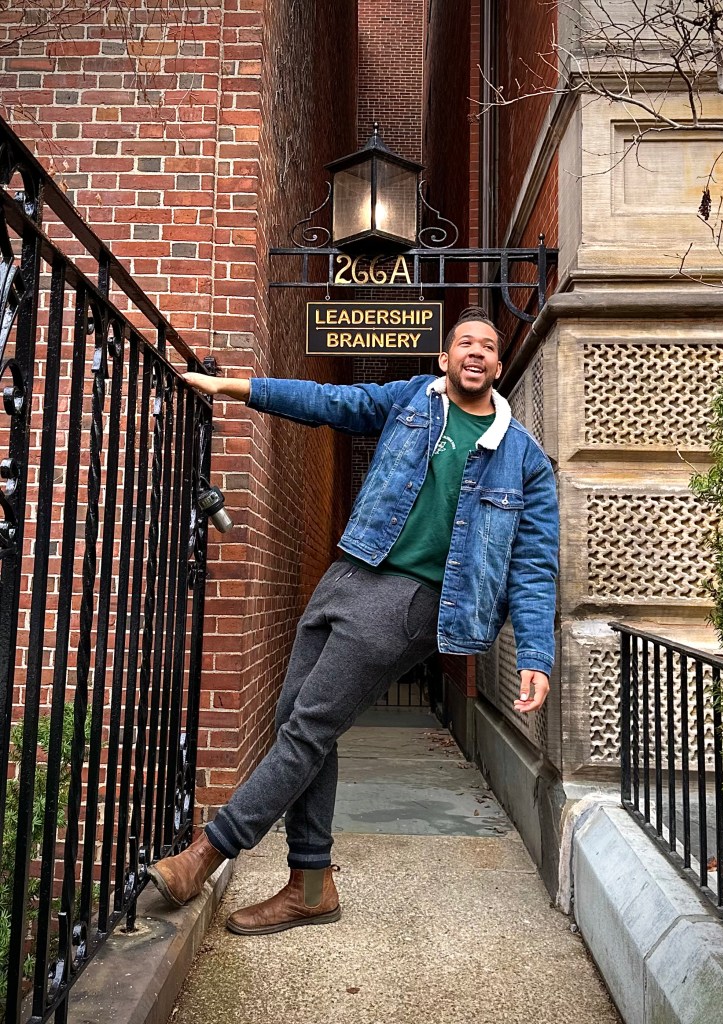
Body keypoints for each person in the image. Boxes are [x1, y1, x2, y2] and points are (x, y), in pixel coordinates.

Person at [148, 306, 559, 935]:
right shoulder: (409, 402)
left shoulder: (522, 459)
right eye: (463, 343)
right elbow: (328, 401)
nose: (475, 351)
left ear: (498, 368)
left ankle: (207, 853)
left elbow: (533, 563)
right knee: (299, 720)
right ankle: (311, 886)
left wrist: (534, 653)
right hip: (349, 573)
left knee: (308, 727)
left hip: (415, 600)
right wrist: (233, 387)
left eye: (487, 346)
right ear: (445, 360)